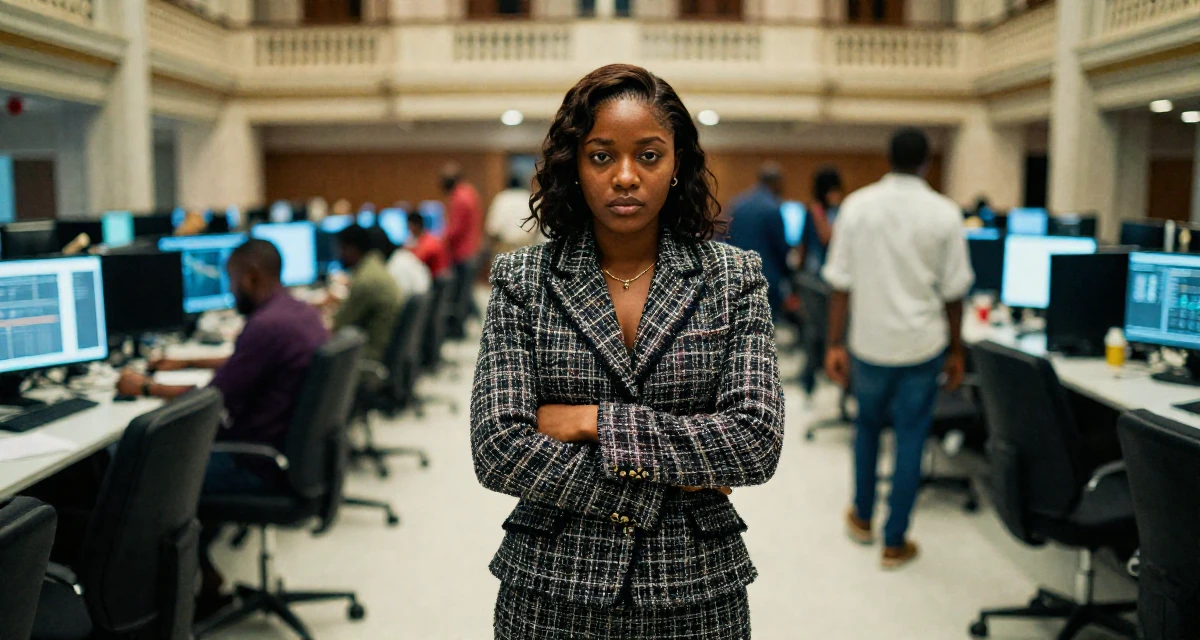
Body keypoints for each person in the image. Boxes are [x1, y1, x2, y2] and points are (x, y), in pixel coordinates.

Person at [471, 64, 784, 639]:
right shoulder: (521, 279)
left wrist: (591, 420)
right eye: (600, 156)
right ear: (574, 166)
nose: (625, 177)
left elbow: (755, 443)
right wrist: (672, 476)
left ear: (677, 163)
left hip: (696, 589)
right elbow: (498, 450)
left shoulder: (734, 277)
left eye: (648, 155)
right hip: (550, 588)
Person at [114, 239, 328, 611]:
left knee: (140, 470)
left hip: (255, 463)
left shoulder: (265, 326)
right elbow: (248, 365)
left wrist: (145, 386)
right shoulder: (298, 313)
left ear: (250, 277)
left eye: (231, 281)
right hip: (287, 455)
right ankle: (202, 573)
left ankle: (154, 601)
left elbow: (211, 400)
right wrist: (186, 363)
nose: (229, 291)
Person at [822, 127, 974, 569]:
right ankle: (894, 541)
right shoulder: (946, 214)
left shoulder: (857, 207)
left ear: (887, 157)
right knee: (910, 438)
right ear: (927, 161)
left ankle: (862, 517)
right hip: (922, 345)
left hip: (868, 343)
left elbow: (839, 283)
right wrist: (957, 351)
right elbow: (955, 292)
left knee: (867, 429)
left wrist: (834, 343)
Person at [797, 166, 845, 397]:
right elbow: (827, 238)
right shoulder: (816, 211)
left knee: (820, 331)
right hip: (816, 282)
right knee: (816, 331)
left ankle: (819, 373)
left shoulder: (833, 211)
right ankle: (810, 377)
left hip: (823, 279)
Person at [724, 162, 791, 316]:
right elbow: (781, 248)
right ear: (776, 183)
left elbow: (727, 239)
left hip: (737, 279)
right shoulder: (772, 207)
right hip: (766, 280)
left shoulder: (737, 204)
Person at [332, 224, 403, 363]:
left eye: (341, 248)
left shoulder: (365, 281)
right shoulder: (375, 265)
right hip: (386, 348)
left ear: (352, 249)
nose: (339, 254)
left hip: (371, 356)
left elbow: (338, 325)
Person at [441, 161, 484, 267]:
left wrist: (440, 240)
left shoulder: (459, 197)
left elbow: (455, 229)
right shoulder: (470, 191)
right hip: (473, 249)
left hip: (462, 252)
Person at [486, 174, 541, 254]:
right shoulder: (530, 198)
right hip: (527, 248)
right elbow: (537, 227)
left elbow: (492, 228)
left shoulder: (502, 198)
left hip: (505, 247)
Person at [407, 211, 451, 277]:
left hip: (437, 280)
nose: (408, 229)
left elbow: (416, 260)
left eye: (409, 226)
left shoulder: (429, 241)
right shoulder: (424, 238)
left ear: (415, 226)